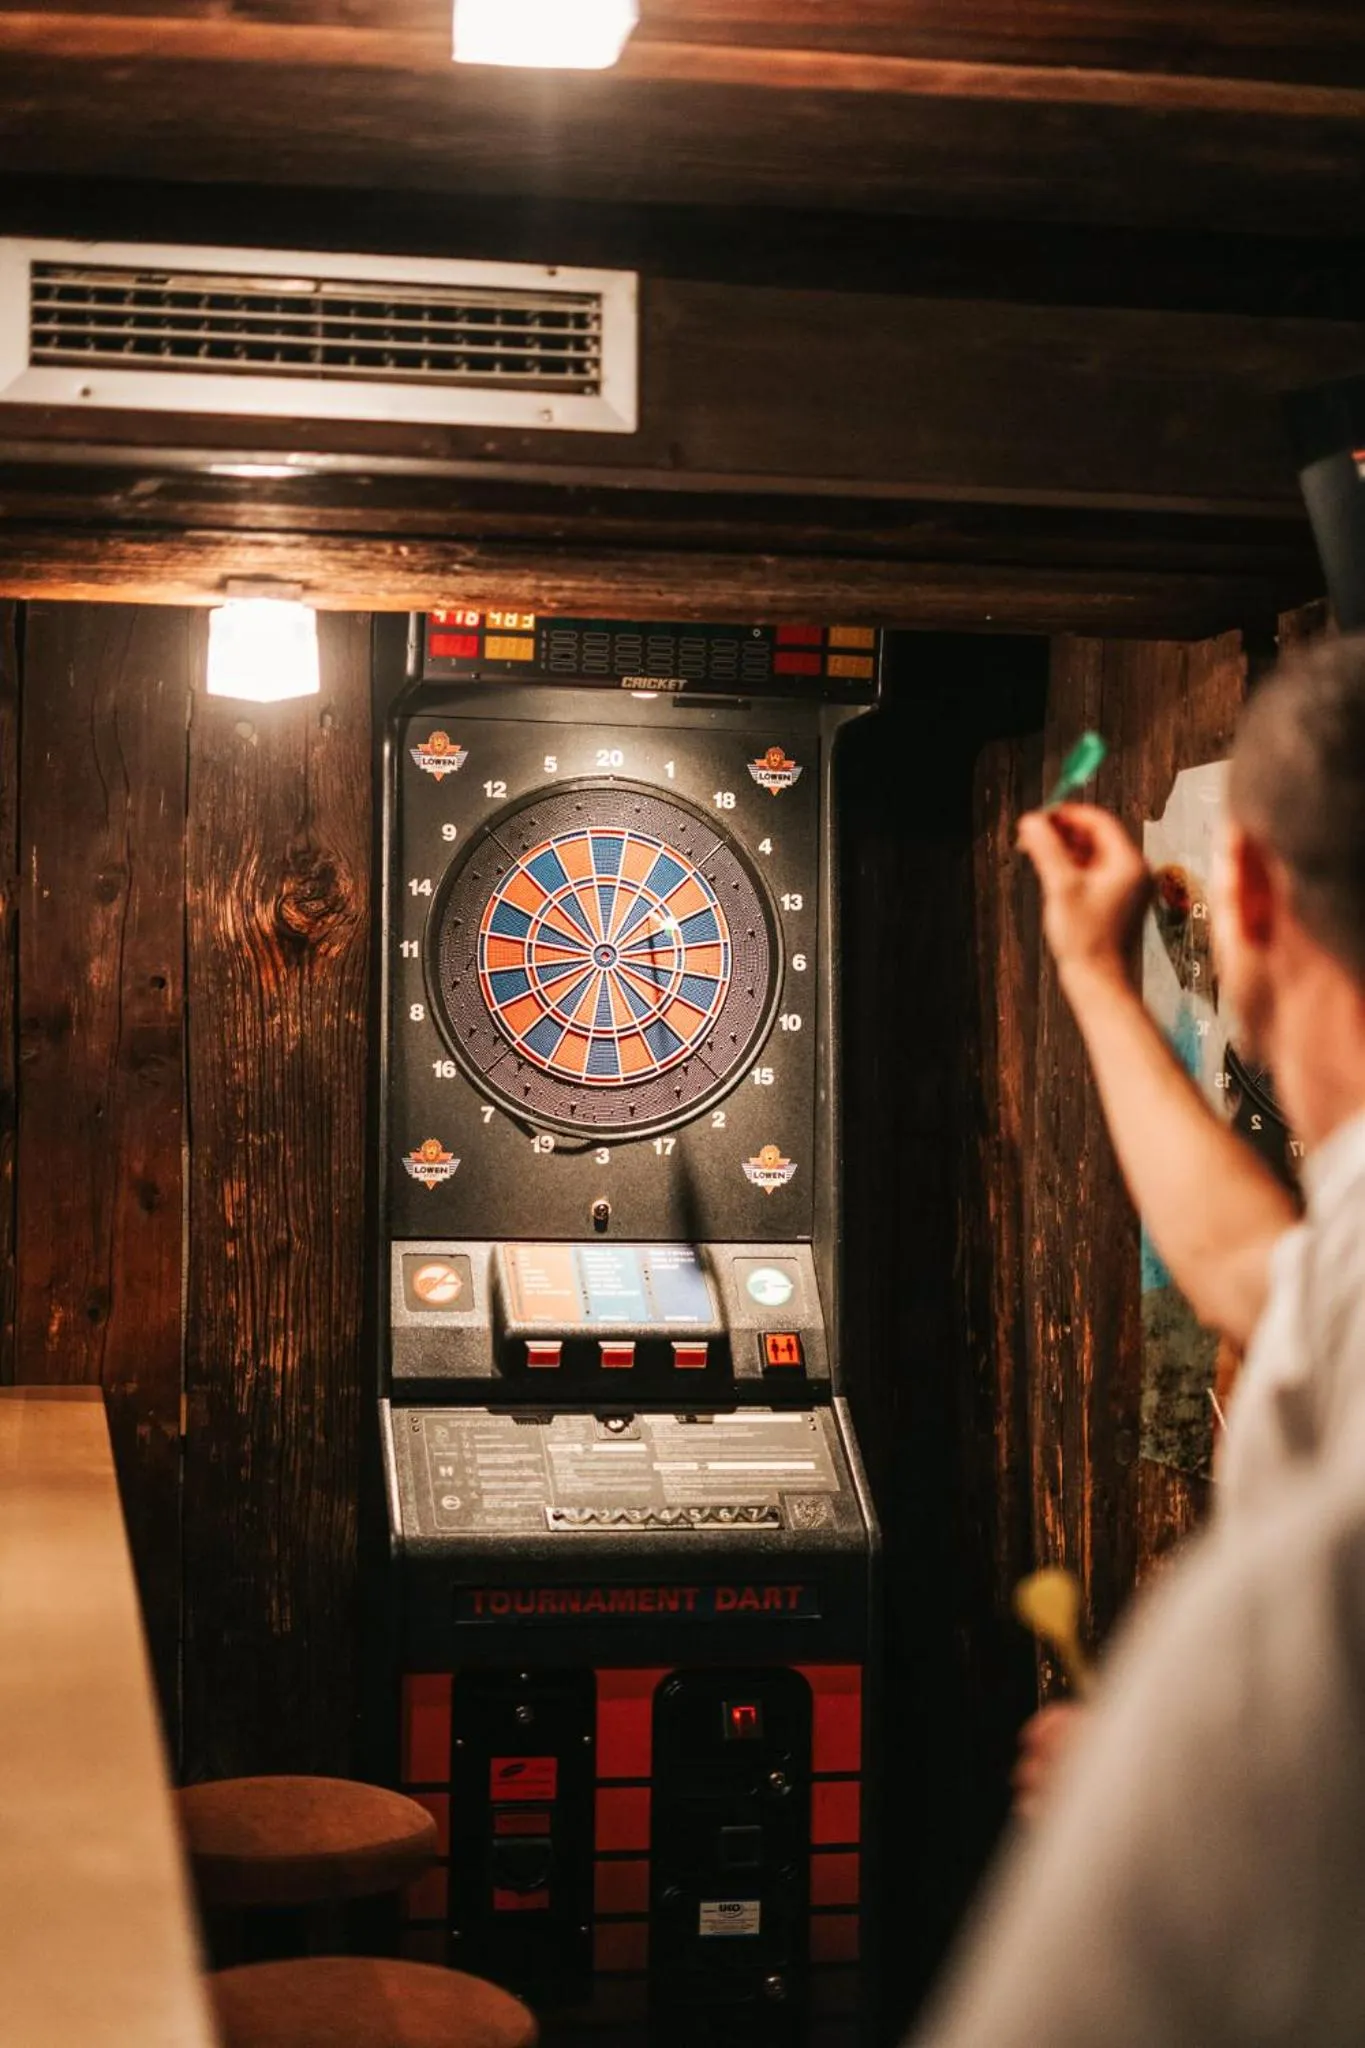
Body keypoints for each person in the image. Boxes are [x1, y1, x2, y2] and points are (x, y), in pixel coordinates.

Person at [910, 632, 1365, 2047]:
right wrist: (1098, 974)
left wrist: (1173, 1774)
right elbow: (1255, 1276)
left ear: (1247, 892)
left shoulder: (1268, 1629)